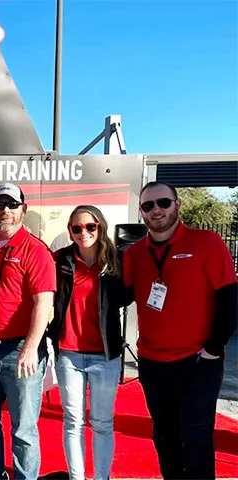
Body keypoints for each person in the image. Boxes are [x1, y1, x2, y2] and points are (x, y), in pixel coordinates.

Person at [124, 181, 237, 479]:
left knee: (197, 438)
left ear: (177, 204)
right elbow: (117, 296)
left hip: (197, 362)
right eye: (148, 206)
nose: (156, 210)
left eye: (163, 203)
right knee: (164, 436)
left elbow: (229, 299)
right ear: (142, 212)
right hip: (152, 362)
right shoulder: (134, 253)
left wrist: (213, 348)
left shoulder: (207, 242)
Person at [0, 182, 55, 480]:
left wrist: (30, 348)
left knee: (23, 429)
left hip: (21, 349)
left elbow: (43, 302)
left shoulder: (36, 250)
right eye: (0, 205)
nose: (5, 210)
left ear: (23, 209)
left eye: (12, 205)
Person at [47, 205, 127, 480]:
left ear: (100, 227)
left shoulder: (116, 262)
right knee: (74, 422)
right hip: (69, 353)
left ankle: (101, 477)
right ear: (70, 231)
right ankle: (76, 477)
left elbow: (130, 295)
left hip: (105, 355)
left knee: (102, 423)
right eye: (77, 228)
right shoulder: (60, 260)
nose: (84, 232)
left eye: (90, 226)